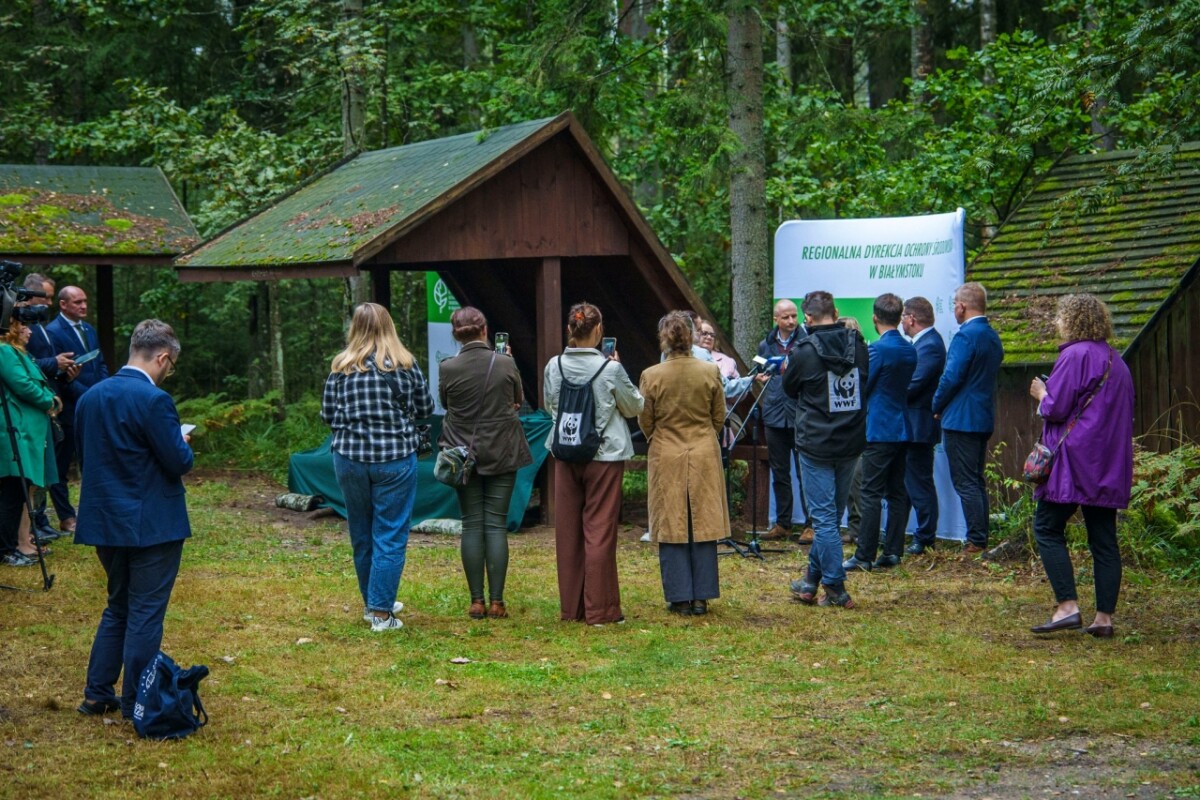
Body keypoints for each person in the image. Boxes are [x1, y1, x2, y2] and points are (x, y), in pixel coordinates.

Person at [76, 320, 193, 717]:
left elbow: (91, 456)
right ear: (162, 357)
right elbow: (177, 461)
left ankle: (97, 693)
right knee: (144, 612)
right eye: (170, 364)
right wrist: (182, 442)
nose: (168, 371)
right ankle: (136, 702)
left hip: (104, 519)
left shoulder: (90, 397)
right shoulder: (154, 401)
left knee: (118, 606)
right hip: (151, 523)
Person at [321, 303, 434, 632]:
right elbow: (425, 408)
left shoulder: (340, 368)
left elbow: (328, 415)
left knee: (361, 531)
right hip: (395, 458)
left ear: (354, 328)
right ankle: (381, 613)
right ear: (389, 327)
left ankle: (374, 601)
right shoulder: (405, 365)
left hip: (349, 459)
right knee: (391, 533)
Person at [1027, 294, 1133, 638]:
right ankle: (1104, 619)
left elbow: (1056, 409)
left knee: (1046, 526)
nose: (1058, 324)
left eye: (1061, 318)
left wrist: (1042, 393)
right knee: (1103, 539)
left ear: (1072, 321)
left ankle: (1067, 606)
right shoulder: (1117, 361)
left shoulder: (1074, 355)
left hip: (1074, 460)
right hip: (1108, 461)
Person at [543, 302, 643, 626]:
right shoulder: (610, 369)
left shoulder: (553, 366)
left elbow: (550, 406)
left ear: (569, 330)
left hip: (564, 452)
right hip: (604, 455)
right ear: (599, 331)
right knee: (599, 531)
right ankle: (601, 611)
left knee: (568, 532)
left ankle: (571, 609)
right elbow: (633, 407)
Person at [438, 306, 531, 620]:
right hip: (503, 451)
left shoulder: (447, 367)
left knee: (471, 524)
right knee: (495, 524)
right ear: (485, 330)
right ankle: (497, 602)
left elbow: (446, 404)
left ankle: (476, 601)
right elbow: (518, 400)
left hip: (462, 455)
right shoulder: (505, 362)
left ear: (455, 334)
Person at [638, 312, 728, 616]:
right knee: (702, 521)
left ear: (664, 338)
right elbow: (719, 417)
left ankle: (678, 596)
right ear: (691, 337)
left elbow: (645, 420)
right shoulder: (709, 371)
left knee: (671, 521)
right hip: (702, 448)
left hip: (666, 451)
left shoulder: (652, 375)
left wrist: (663, 437)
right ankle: (702, 596)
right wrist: (702, 435)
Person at [782, 291, 868, 609]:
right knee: (831, 515)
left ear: (807, 318)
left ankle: (834, 588)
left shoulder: (803, 351)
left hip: (816, 443)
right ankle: (809, 583)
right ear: (836, 311)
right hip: (851, 440)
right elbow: (865, 383)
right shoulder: (858, 344)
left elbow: (790, 388)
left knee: (824, 519)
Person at [843, 294, 917, 572]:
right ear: (900, 318)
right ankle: (893, 551)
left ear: (875, 318)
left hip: (879, 427)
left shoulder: (878, 350)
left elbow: (864, 385)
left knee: (870, 492)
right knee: (897, 491)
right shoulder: (910, 349)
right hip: (902, 426)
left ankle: (864, 554)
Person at [931, 282, 1003, 555]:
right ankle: (979, 536)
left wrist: (936, 404)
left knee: (965, 481)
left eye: (954, 306)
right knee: (975, 479)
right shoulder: (991, 335)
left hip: (961, 419)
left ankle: (976, 541)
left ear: (961, 306)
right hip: (982, 416)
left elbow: (951, 377)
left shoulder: (965, 336)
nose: (953, 310)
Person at [44, 285, 108, 536]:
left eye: (85, 301)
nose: (83, 306)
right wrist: (88, 395)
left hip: (93, 405)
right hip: (69, 408)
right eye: (77, 302)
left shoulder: (89, 329)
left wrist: (103, 390)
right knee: (61, 466)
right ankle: (66, 516)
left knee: (92, 460)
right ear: (63, 304)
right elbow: (59, 376)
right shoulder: (52, 332)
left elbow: (99, 363)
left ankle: (92, 510)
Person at [0, 316, 61, 567]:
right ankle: (6, 548)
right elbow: (22, 384)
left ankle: (17, 543)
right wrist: (49, 401)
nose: (29, 331)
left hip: (27, 429)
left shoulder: (15, 351)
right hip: (16, 430)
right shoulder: (4, 351)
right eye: (22, 326)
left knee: (22, 487)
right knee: (12, 490)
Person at [21, 273, 77, 544]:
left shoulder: (41, 324)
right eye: (47, 297)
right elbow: (28, 366)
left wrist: (65, 371)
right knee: (37, 471)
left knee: (47, 469)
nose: (51, 303)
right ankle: (33, 523)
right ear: (31, 296)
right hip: (38, 405)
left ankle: (40, 520)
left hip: (53, 401)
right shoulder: (22, 327)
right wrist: (54, 363)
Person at [756, 299, 813, 543]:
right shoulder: (765, 345)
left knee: (805, 472)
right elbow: (761, 372)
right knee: (780, 472)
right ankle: (783, 523)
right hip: (774, 414)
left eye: (794, 316)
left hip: (801, 414)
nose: (791, 321)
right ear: (776, 320)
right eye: (786, 317)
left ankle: (811, 525)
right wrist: (761, 380)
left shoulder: (807, 340)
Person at [900, 296, 946, 555]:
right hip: (910, 424)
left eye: (904, 318)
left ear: (911, 318)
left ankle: (925, 536)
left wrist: (887, 393)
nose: (902, 323)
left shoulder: (930, 345)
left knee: (920, 483)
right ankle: (905, 533)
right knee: (908, 483)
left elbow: (915, 384)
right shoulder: (923, 343)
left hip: (919, 425)